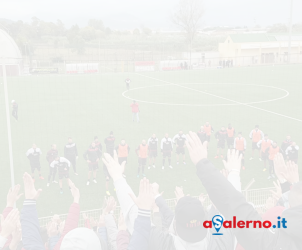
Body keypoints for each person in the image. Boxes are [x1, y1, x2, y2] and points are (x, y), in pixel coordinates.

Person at [184, 132, 302, 250]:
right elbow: (239, 211)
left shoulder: (273, 241)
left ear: (289, 206)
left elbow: (238, 212)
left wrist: (205, 164)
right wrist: (289, 184)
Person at [104, 131, 116, 195]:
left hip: (112, 171)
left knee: (115, 179)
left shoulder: (113, 159)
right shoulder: (106, 161)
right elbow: (104, 168)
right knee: (107, 180)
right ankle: (107, 190)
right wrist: (106, 175)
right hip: (108, 172)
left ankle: (115, 187)